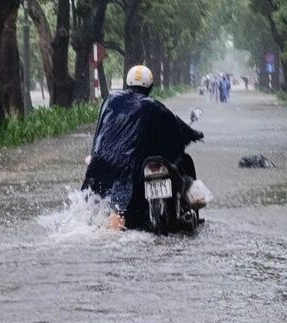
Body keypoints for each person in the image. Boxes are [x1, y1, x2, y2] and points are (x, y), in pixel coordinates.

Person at [83, 65, 204, 230]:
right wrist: (195, 134)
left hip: (105, 161)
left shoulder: (111, 100)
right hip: (133, 167)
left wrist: (96, 155)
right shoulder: (154, 106)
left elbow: (100, 131)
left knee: (104, 204)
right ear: (151, 86)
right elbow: (177, 127)